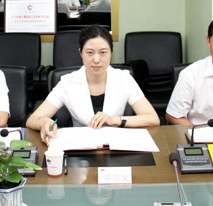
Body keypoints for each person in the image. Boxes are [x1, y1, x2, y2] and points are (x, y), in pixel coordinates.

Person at [26, 25, 159, 143]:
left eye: (103, 52)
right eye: (90, 53)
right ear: (81, 53)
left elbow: (152, 118)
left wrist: (115, 120)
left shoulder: (124, 79)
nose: (96, 59)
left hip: (115, 146)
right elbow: (32, 119)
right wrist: (43, 122)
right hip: (80, 148)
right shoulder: (67, 82)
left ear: (111, 53)